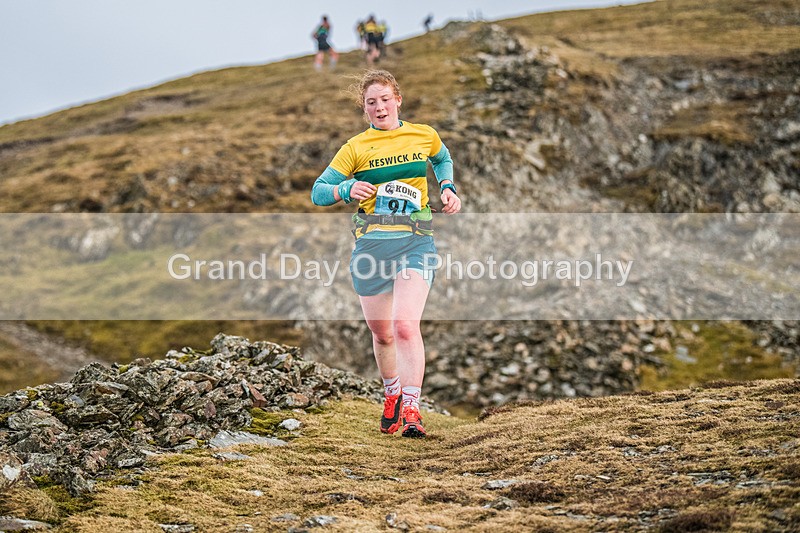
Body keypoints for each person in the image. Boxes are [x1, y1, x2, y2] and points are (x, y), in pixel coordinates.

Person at [311, 70, 461, 438]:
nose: (379, 107)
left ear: (398, 99)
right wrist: (346, 189)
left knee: (405, 326)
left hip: (415, 243)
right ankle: (392, 394)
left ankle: (412, 409)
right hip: (372, 248)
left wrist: (447, 187)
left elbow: (442, 159)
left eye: (384, 99)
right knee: (382, 335)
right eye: (370, 103)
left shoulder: (423, 134)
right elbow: (318, 191)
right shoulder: (355, 148)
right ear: (365, 110)